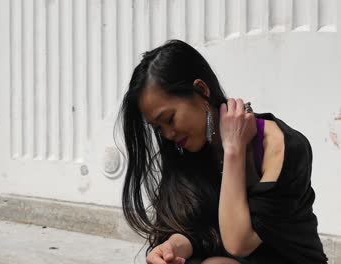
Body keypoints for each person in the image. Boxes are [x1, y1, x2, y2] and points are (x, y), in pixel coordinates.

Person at [117, 39, 328, 263]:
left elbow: (238, 243)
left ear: (201, 90)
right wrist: (173, 246)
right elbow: (201, 230)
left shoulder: (280, 146)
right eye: (159, 128)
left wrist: (234, 149)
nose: (168, 134)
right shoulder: (188, 148)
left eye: (169, 119)